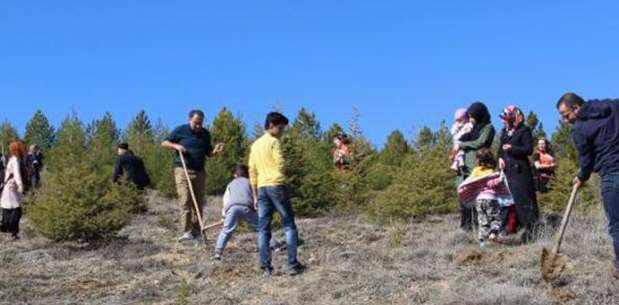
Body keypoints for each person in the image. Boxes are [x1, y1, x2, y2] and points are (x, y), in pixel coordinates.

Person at [556, 92, 619, 279]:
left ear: (576, 108)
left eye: (566, 116)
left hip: (612, 175)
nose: (566, 121)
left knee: (617, 225)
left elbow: (587, 161)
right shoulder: (612, 105)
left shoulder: (580, 129)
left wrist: (581, 177)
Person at [249, 112, 305, 276]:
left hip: (261, 188)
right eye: (281, 128)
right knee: (289, 225)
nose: (282, 132)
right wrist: (283, 175)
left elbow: (252, 171)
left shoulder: (255, 145)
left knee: (263, 229)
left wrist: (254, 195)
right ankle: (291, 264)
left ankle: (266, 268)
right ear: (272, 125)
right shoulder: (274, 142)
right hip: (276, 185)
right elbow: (280, 163)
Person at [161, 110, 225, 242]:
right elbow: (164, 143)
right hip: (183, 170)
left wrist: (216, 151)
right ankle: (186, 232)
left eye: (200, 123)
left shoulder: (205, 134)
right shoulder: (180, 130)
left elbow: (209, 153)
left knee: (199, 203)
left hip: (200, 172)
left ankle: (197, 232)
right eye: (196, 123)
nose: (198, 126)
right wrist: (176, 146)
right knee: (185, 200)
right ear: (190, 119)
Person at [212, 165, 281, 260]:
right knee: (261, 227)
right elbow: (256, 197)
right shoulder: (250, 183)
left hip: (232, 208)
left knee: (226, 230)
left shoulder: (231, 184)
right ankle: (274, 246)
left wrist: (224, 216)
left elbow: (226, 200)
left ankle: (217, 253)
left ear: (235, 175)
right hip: (246, 207)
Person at [498, 105, 538, 242]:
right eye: (503, 119)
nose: (504, 121)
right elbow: (501, 149)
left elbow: (528, 149)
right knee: (507, 200)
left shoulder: (524, 130)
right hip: (507, 171)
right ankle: (509, 228)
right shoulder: (504, 132)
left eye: (506, 118)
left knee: (523, 199)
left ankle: (531, 230)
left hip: (520, 171)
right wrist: (500, 158)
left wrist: (512, 148)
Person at [454, 102, 496, 231]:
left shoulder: (488, 128)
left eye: (473, 115)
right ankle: (466, 226)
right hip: (465, 166)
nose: (471, 118)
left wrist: (462, 145)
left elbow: (480, 142)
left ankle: (480, 226)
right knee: (464, 195)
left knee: (478, 198)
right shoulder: (473, 128)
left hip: (478, 165)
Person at [467, 148, 511, 247]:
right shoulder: (491, 171)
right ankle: (493, 233)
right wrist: (501, 177)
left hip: (479, 200)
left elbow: (471, 182)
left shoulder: (475, 171)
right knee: (495, 218)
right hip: (491, 199)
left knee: (482, 220)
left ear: (478, 160)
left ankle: (482, 242)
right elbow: (493, 183)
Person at [1, 141, 26, 240]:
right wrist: (20, 185)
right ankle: (11, 230)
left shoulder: (12, 159)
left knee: (8, 210)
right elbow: (16, 174)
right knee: (16, 210)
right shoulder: (15, 160)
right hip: (12, 186)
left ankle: (12, 232)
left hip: (8, 186)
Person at [450, 108, 474, 173]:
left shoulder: (468, 125)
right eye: (457, 120)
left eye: (460, 120)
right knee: (456, 153)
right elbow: (453, 133)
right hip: (456, 144)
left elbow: (469, 129)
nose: (458, 122)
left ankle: (460, 162)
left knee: (460, 152)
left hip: (462, 143)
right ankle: (456, 163)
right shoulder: (456, 127)